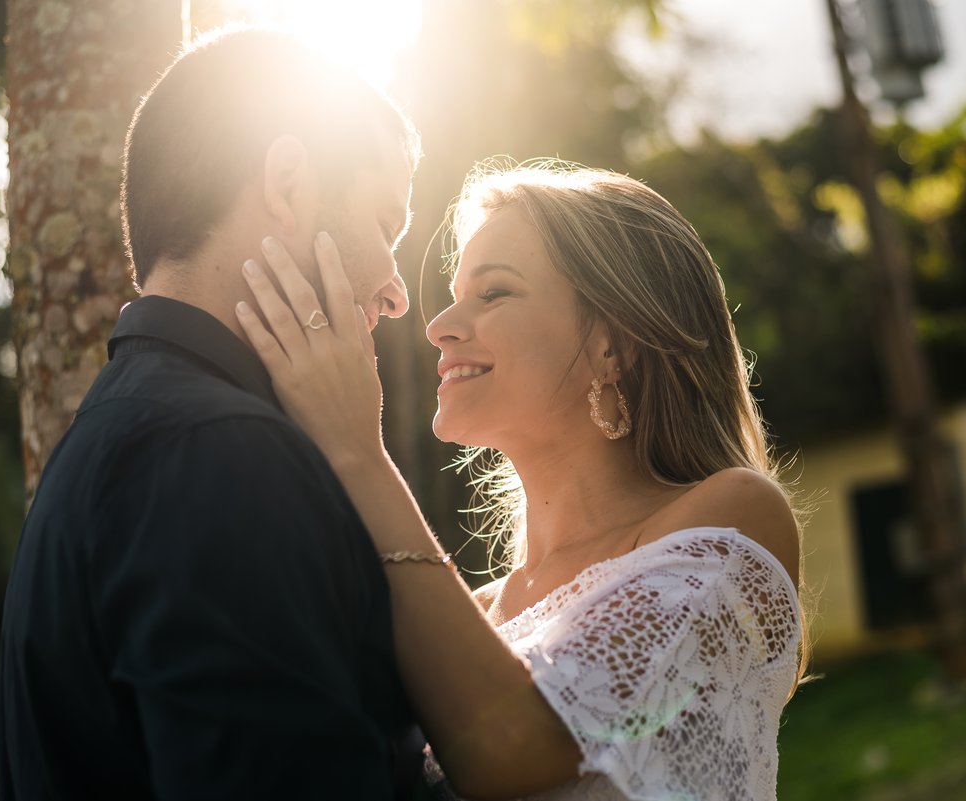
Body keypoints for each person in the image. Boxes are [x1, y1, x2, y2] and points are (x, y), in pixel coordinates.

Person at [237, 163, 810, 800]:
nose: (440, 326)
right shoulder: (475, 616)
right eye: (456, 295)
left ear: (612, 346)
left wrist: (356, 453)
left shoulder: (731, 520)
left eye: (494, 294)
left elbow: (516, 748)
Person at [0, 28, 431, 799]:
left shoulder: (115, 431)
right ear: (289, 182)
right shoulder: (222, 456)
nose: (397, 292)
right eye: (385, 225)